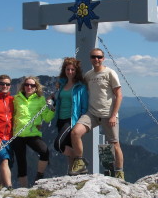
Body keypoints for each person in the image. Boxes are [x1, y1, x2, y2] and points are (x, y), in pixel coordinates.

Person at [71, 48, 124, 179]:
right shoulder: (89, 75)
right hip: (92, 113)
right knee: (75, 133)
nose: (97, 59)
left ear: (103, 58)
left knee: (114, 144)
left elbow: (119, 95)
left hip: (108, 114)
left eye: (99, 57)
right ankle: (79, 161)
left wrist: (113, 115)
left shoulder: (110, 73)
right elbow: (78, 86)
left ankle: (119, 172)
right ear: (90, 58)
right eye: (94, 57)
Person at [11, 76, 55, 187]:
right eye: (27, 85)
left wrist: (52, 109)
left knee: (44, 151)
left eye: (32, 85)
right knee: (21, 162)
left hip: (32, 134)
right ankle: (24, 189)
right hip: (18, 134)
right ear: (23, 86)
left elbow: (47, 118)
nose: (29, 87)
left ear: (36, 87)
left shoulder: (40, 100)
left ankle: (39, 175)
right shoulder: (16, 99)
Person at [53, 57, 89, 175]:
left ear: (76, 71)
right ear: (64, 70)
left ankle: (80, 161)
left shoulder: (80, 87)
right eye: (68, 69)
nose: (70, 72)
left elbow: (84, 106)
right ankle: (73, 172)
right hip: (60, 118)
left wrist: (80, 122)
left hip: (71, 119)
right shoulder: (62, 85)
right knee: (68, 146)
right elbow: (59, 100)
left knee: (58, 144)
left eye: (72, 69)